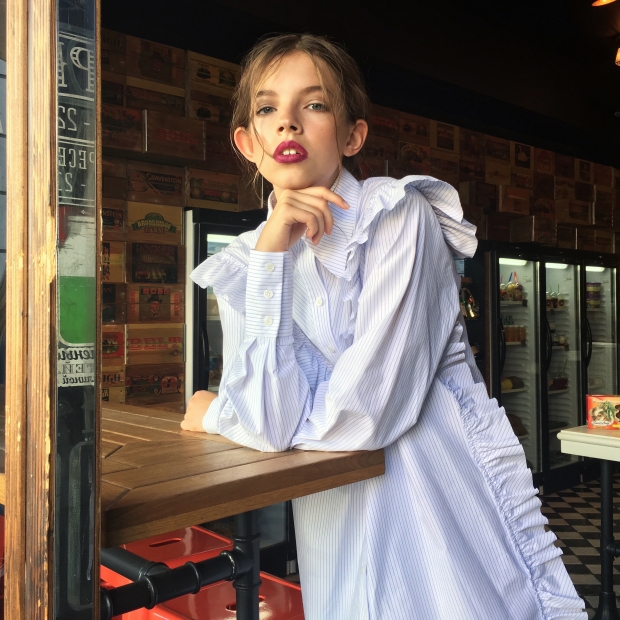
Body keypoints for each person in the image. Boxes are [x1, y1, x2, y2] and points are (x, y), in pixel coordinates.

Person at [182, 33, 586, 620]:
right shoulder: (250, 256)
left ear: (352, 135)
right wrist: (271, 257)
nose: (288, 122)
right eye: (267, 109)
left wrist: (218, 414)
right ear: (248, 143)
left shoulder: (398, 216)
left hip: (432, 508)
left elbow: (368, 412)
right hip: (332, 517)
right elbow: (270, 423)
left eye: (314, 104)